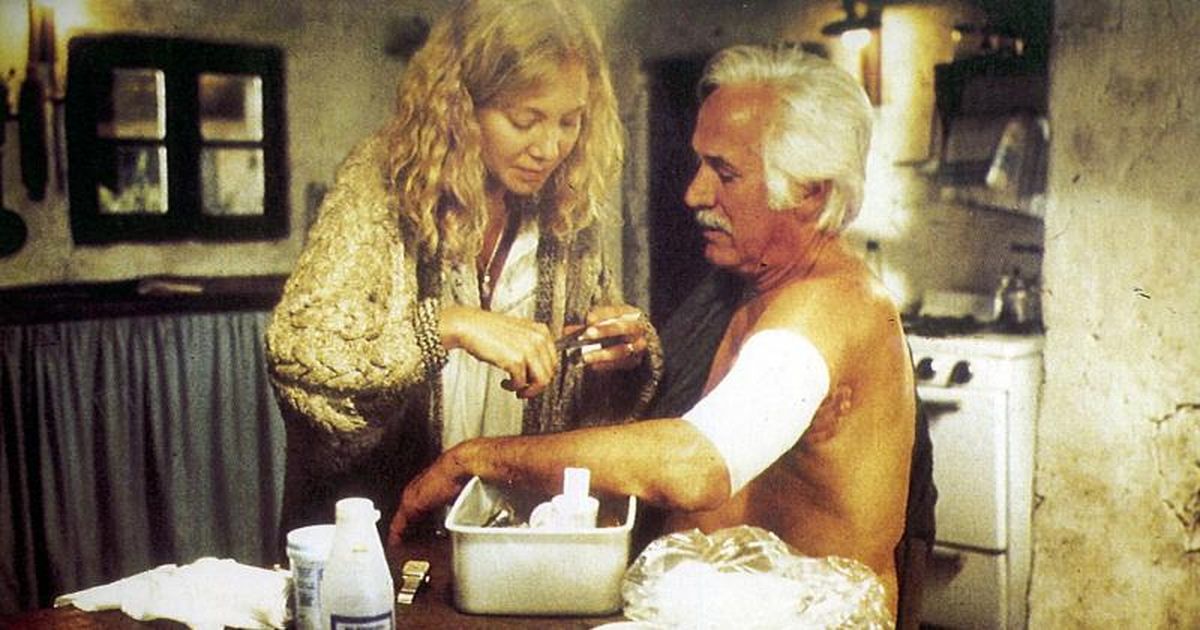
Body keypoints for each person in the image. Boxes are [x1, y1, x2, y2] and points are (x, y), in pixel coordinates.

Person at [389, 44, 921, 617]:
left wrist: (475, 459)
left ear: (810, 191)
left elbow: (694, 466)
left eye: (725, 172)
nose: (695, 193)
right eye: (701, 165)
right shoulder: (739, 290)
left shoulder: (831, 305)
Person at [265, 0, 662, 546]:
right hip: (380, 534)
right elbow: (299, 355)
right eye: (524, 120)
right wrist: (445, 326)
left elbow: (588, 410)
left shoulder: (567, 205)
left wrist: (622, 354)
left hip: (514, 534)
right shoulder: (382, 181)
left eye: (569, 122)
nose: (549, 148)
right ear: (461, 106)